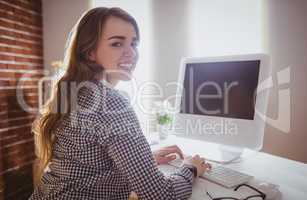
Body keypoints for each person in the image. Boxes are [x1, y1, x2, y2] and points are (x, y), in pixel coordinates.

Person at [30, 7, 211, 200]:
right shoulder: (110, 102)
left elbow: (86, 167)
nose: (131, 53)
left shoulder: (77, 92)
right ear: (90, 51)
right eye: (117, 43)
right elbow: (162, 195)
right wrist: (190, 168)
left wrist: (141, 160)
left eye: (134, 43)